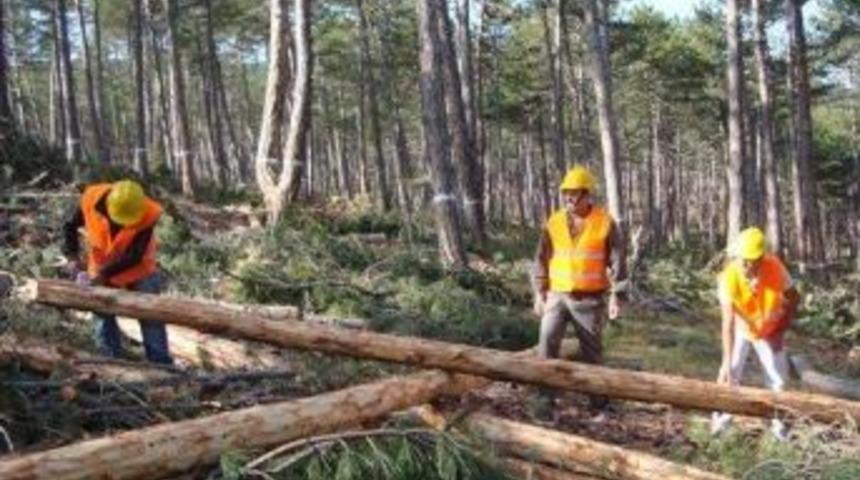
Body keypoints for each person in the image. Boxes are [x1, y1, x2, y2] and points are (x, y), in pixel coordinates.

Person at [531, 165, 627, 420]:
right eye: (566, 193)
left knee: (592, 353)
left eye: (574, 194)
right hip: (556, 295)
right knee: (546, 346)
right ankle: (544, 404)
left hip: (589, 299)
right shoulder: (553, 222)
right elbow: (541, 258)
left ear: (588, 195)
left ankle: (599, 405)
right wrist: (539, 292)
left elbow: (618, 261)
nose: (569, 198)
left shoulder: (605, 223)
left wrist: (617, 295)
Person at [62, 179, 173, 365]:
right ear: (108, 206)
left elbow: (135, 255)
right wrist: (72, 256)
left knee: (150, 316)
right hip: (101, 264)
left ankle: (161, 365)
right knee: (102, 314)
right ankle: (111, 364)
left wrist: (104, 275)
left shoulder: (148, 212)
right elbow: (69, 225)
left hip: (140, 269)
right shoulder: (91, 199)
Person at [711, 227, 799, 440]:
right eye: (740, 259)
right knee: (729, 375)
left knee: (777, 381)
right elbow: (728, 323)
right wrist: (725, 362)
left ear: (759, 259)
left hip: (769, 330)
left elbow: (794, 297)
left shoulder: (775, 267)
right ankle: (720, 426)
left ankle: (779, 431)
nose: (743, 264)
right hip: (742, 328)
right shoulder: (729, 276)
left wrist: (780, 331)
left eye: (747, 260)